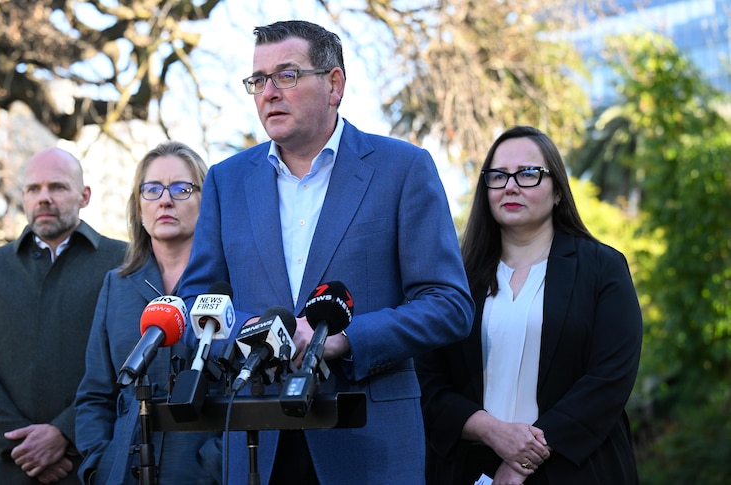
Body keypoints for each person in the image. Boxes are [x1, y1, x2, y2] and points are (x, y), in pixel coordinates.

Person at [176, 20, 474, 484]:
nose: (268, 92)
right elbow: (199, 304)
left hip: (367, 441)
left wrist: (342, 339)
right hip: (259, 441)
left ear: (334, 84)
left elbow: (448, 305)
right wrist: (249, 337)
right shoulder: (226, 180)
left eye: (287, 75)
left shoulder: (402, 169)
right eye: (258, 80)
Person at [416, 126, 642, 485]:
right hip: (471, 470)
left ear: (557, 191)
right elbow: (427, 380)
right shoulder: (454, 278)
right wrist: (490, 430)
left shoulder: (602, 268)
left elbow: (610, 378)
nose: (510, 185)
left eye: (528, 173)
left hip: (577, 470)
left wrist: (522, 458)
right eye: (498, 175)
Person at [0, 147, 127, 484]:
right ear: (23, 197)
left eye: (58, 187)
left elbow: (128, 363)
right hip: (11, 466)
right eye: (34, 189)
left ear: (84, 195)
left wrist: (64, 433)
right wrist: (25, 444)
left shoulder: (123, 262)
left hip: (93, 462)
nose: (44, 198)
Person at [75, 141, 221, 484]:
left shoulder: (231, 284)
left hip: (202, 473)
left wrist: (217, 464)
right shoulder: (117, 286)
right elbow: (95, 393)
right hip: (124, 471)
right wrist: (99, 464)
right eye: (152, 189)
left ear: (207, 202)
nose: (165, 200)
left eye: (182, 189)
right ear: (139, 208)